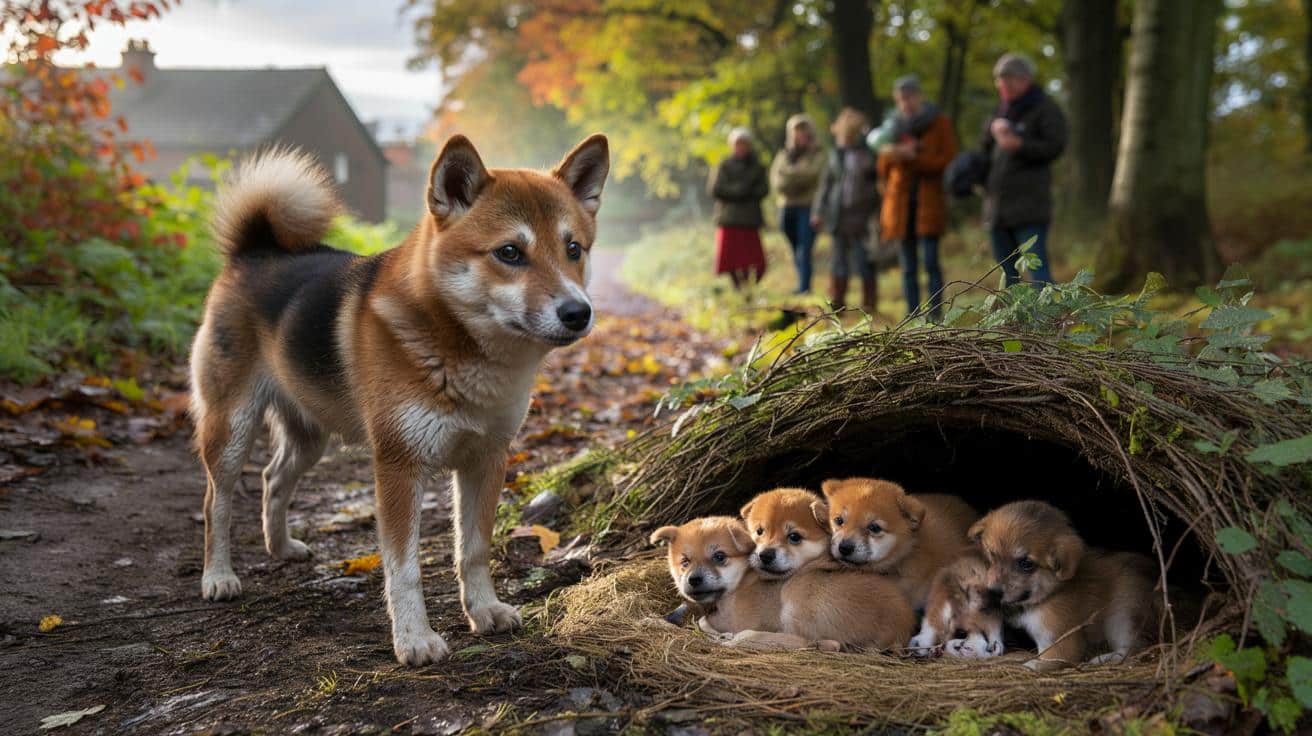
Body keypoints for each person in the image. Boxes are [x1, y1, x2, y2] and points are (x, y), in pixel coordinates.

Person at [981, 53, 1067, 286]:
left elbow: (1055, 146)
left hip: (1030, 208)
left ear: (1026, 79)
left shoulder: (1045, 108)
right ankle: (1012, 322)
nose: (1004, 85)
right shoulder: (999, 111)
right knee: (1007, 275)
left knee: (1037, 269)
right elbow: (985, 151)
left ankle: (1051, 320)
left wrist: (1019, 144)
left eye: (1010, 79)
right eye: (1000, 80)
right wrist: (991, 132)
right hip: (998, 208)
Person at [876, 75, 956, 321]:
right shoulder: (891, 128)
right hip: (900, 207)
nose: (905, 103)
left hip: (929, 204)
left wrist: (915, 158)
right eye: (900, 99)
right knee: (908, 267)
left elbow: (948, 160)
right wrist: (894, 154)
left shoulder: (940, 123)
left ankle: (935, 314)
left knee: (931, 261)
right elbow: (882, 167)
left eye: (909, 97)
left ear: (919, 96)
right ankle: (911, 315)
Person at [812, 108, 878, 312]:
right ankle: (838, 302)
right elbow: (826, 184)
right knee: (839, 259)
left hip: (861, 214)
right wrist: (818, 211)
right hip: (838, 215)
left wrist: (875, 210)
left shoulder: (867, 155)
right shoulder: (835, 155)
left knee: (864, 258)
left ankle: (869, 303)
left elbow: (875, 184)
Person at [708, 127, 769, 290]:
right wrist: (740, 191)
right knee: (731, 260)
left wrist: (741, 192)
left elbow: (763, 190)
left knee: (755, 260)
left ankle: (749, 288)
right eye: (738, 144)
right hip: (729, 219)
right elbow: (716, 189)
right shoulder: (724, 166)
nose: (741, 148)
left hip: (749, 220)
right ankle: (738, 288)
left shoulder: (757, 167)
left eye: (744, 144)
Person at [769, 114, 825, 294]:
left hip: (808, 207)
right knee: (794, 246)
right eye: (796, 131)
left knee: (805, 247)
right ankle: (802, 282)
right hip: (786, 207)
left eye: (803, 131)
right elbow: (777, 181)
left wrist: (790, 175)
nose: (799, 135)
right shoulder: (784, 155)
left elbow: (814, 174)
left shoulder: (817, 154)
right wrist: (798, 175)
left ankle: (804, 287)